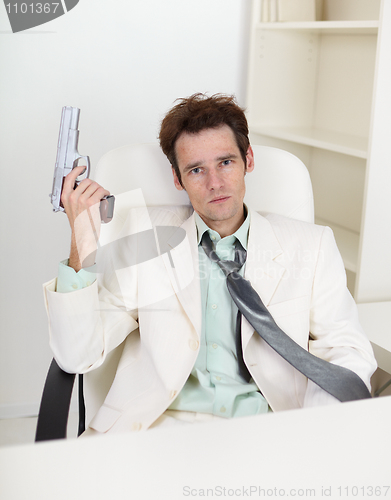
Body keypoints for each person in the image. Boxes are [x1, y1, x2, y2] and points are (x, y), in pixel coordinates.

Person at [43, 93, 377, 435]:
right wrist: (81, 241)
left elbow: (347, 350)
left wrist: (313, 429)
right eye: (196, 169)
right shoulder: (145, 234)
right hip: (157, 430)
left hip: (267, 432)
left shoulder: (311, 245)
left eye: (226, 162)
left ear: (248, 159)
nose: (214, 183)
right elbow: (76, 355)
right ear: (178, 178)